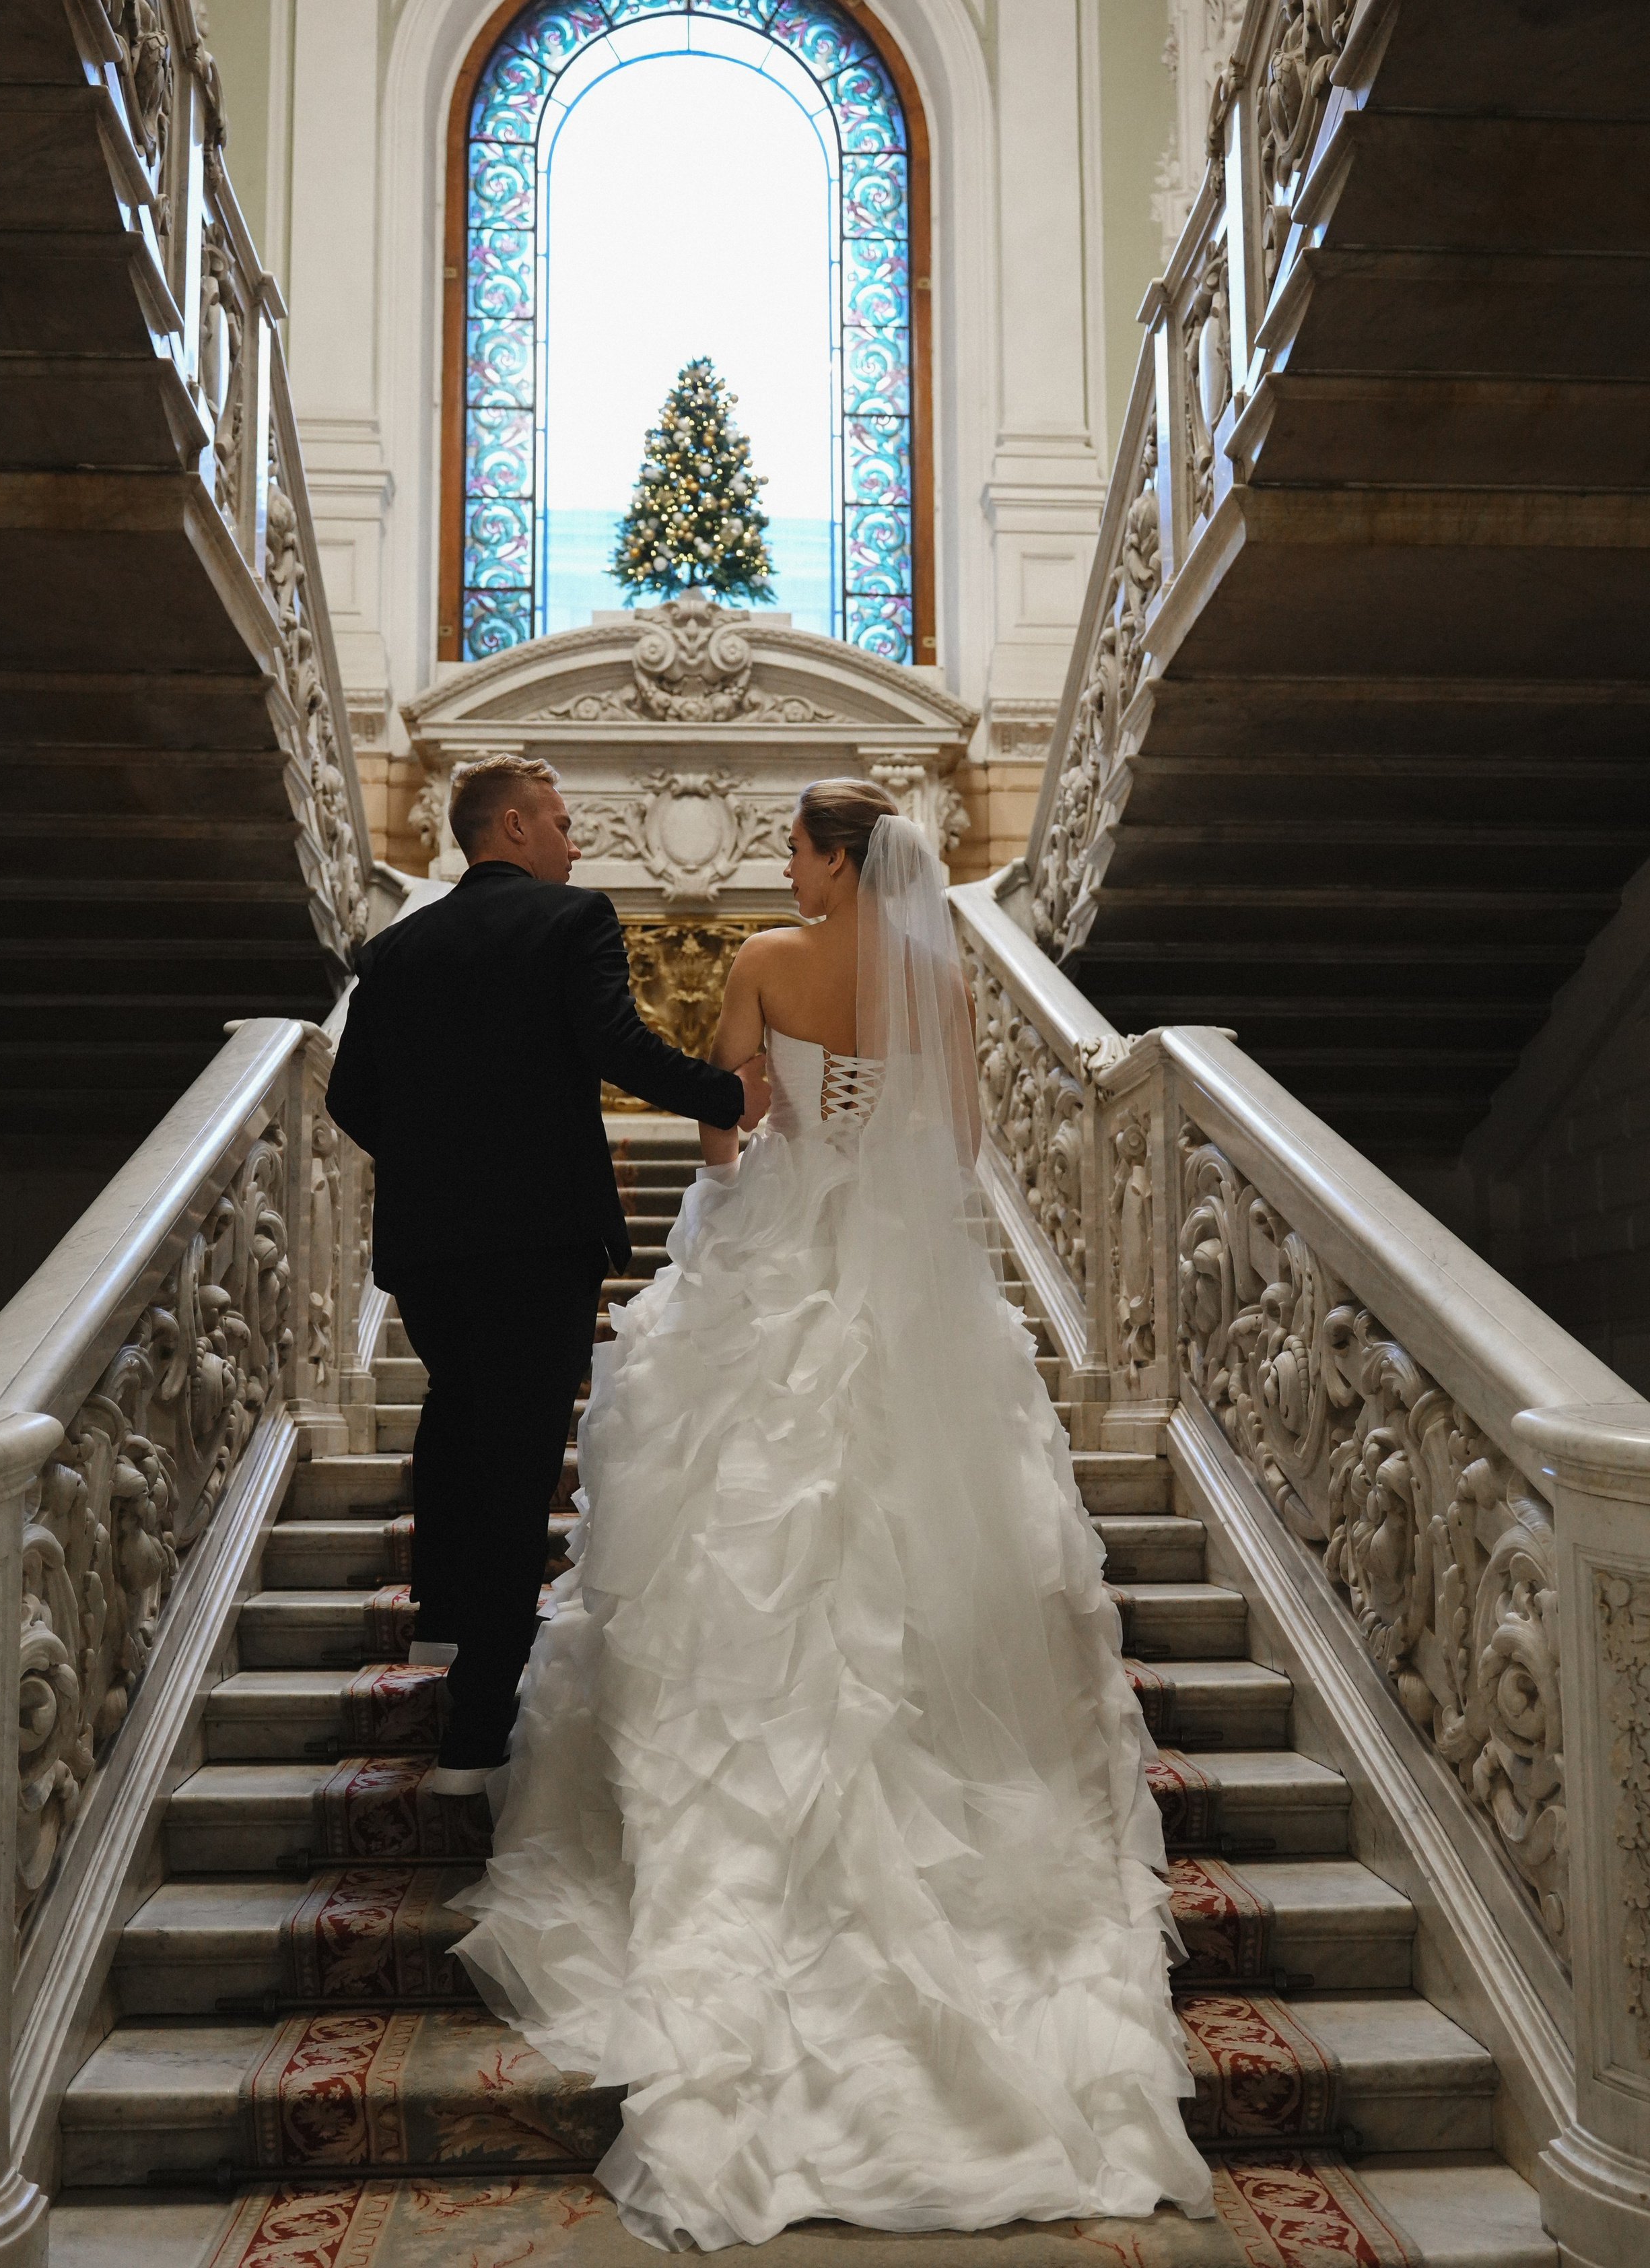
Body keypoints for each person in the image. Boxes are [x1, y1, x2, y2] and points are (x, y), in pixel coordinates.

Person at [451, 778, 1214, 2246]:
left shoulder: (761, 960)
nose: (780, 867)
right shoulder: (939, 973)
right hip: (898, 1283)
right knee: (917, 1545)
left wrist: (749, 1185)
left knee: (745, 1532)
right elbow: (964, 1142)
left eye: (794, 847)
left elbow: (728, 1125)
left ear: (832, 858)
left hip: (782, 1266)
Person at [324, 754, 767, 1793]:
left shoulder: (393, 949)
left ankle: (443, 1618)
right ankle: (483, 1702)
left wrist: (434, 1157)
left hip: (432, 1244)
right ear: (514, 826)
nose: (576, 842)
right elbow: (614, 1042)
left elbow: (352, 1097)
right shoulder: (572, 922)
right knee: (521, 1447)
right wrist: (727, 1093)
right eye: (564, 822)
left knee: (459, 1409)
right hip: (539, 1237)